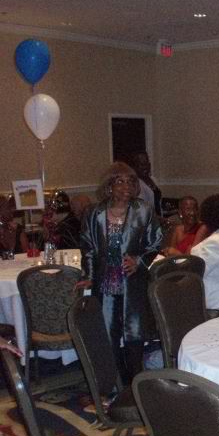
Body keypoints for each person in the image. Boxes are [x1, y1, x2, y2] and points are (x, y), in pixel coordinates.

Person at [78, 162, 163, 382]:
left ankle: (136, 382)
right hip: (104, 282)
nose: (126, 186)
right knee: (108, 335)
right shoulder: (94, 212)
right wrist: (89, 276)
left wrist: (139, 261)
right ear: (109, 186)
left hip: (133, 281)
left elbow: (156, 242)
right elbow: (88, 247)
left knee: (134, 334)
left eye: (130, 182)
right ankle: (114, 384)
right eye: (120, 181)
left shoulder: (143, 210)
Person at [131, 151, 163, 217]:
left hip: (157, 219)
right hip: (145, 220)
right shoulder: (134, 184)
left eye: (146, 163)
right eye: (141, 164)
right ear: (135, 167)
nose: (145, 167)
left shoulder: (153, 179)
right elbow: (137, 208)